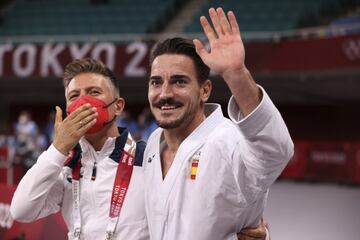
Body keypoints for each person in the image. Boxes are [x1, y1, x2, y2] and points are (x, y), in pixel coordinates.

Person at [144, 7, 293, 240]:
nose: (164, 93)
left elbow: (275, 151)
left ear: (205, 90)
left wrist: (237, 74)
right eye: (156, 82)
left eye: (179, 82)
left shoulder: (228, 142)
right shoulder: (153, 144)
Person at [10, 58, 149, 240]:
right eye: (74, 96)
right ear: (68, 109)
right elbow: (21, 211)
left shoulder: (148, 157)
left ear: (118, 106)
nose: (84, 102)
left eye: (94, 92)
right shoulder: (64, 166)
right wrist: (58, 148)